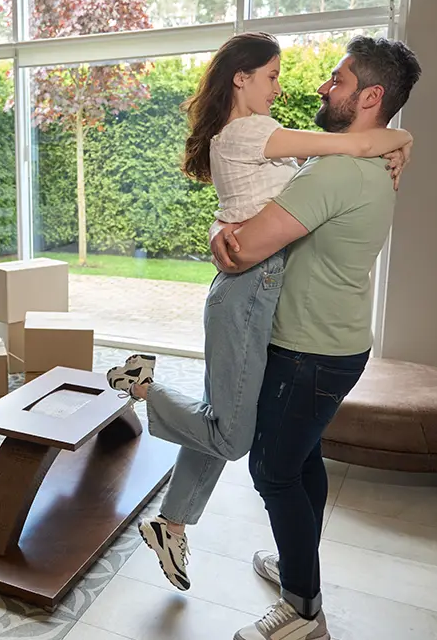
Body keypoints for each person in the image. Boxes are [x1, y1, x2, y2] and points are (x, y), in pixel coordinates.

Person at [104, 32, 413, 594]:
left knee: (226, 417)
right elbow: (346, 152)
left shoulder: (263, 138)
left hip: (258, 296)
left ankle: (171, 524)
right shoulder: (254, 131)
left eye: (335, 78)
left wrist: (221, 225)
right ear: (241, 78)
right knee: (231, 435)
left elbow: (248, 206)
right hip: (247, 293)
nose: (286, 84)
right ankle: (143, 386)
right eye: (272, 75)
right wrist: (402, 134)